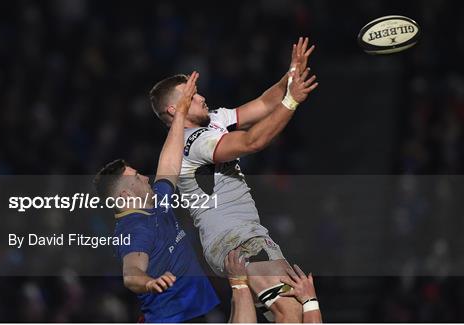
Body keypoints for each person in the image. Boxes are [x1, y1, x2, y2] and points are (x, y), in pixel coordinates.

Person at [149, 37, 318, 322]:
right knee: (291, 308)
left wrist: (290, 75)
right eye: (191, 95)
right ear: (174, 110)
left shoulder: (213, 120)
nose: (202, 97)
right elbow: (253, 141)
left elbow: (264, 103)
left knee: (287, 310)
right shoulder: (194, 142)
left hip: (239, 238)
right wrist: (291, 101)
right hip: (237, 239)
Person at [93, 72, 219, 323]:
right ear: (126, 194)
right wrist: (150, 283)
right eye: (137, 177)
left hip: (191, 314)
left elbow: (169, 163)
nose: (146, 178)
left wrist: (180, 113)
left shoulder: (155, 203)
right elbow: (131, 274)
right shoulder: (134, 228)